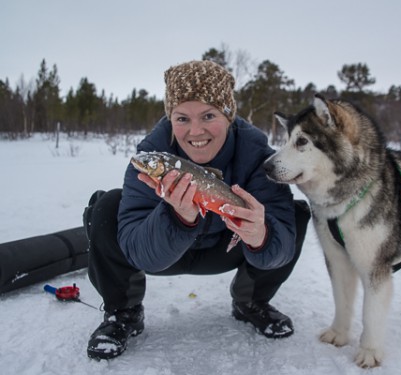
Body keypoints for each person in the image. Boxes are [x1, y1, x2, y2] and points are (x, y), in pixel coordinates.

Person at [84, 60, 311, 360]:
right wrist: (177, 218)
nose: (195, 131)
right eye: (182, 118)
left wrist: (261, 235)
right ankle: (123, 312)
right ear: (170, 118)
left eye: (208, 115)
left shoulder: (257, 156)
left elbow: (280, 248)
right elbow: (140, 253)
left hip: (226, 248)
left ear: (229, 115)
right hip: (166, 253)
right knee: (105, 208)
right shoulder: (151, 157)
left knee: (292, 215)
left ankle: (250, 301)